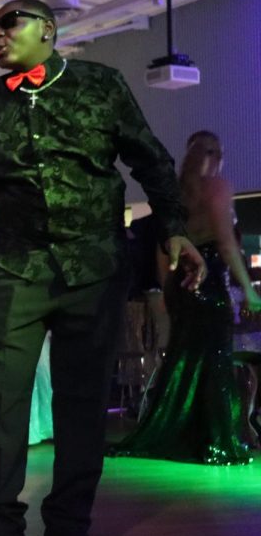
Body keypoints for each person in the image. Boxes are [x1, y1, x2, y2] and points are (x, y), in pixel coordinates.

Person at [0, 0, 203, 536]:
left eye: (8, 24)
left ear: (47, 30)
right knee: (0, 400)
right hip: (16, 268)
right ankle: (0, 527)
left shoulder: (99, 84)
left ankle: (69, 526)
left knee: (82, 403)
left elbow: (151, 160)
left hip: (93, 269)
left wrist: (173, 230)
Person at [109, 131, 261, 464]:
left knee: (185, 361)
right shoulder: (217, 189)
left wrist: (168, 291)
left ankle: (183, 433)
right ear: (213, 156)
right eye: (216, 152)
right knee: (215, 361)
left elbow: (164, 250)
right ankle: (216, 438)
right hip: (210, 285)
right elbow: (226, 243)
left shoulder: (176, 195)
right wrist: (249, 290)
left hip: (182, 286)